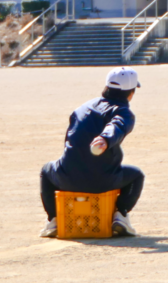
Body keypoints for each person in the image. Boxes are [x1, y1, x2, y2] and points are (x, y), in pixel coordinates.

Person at [39, 67, 145, 238]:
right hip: (103, 183)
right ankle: (121, 216)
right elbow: (117, 125)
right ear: (131, 93)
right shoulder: (123, 112)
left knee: (46, 170)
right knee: (137, 175)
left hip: (66, 178)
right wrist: (106, 139)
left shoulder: (83, 107)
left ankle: (53, 220)